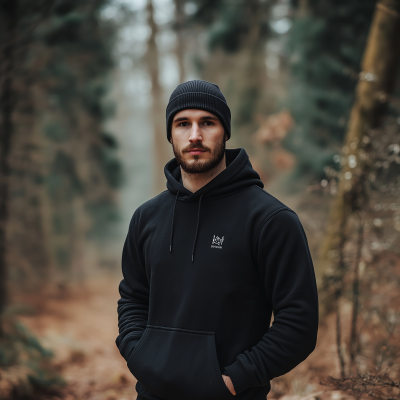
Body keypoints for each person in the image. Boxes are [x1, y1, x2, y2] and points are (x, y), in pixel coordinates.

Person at [115, 80, 319, 400]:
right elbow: (132, 297)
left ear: (225, 132)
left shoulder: (270, 221)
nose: (194, 135)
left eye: (207, 122)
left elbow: (299, 323)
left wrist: (235, 379)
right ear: (170, 134)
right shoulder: (146, 218)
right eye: (183, 124)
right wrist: (140, 355)